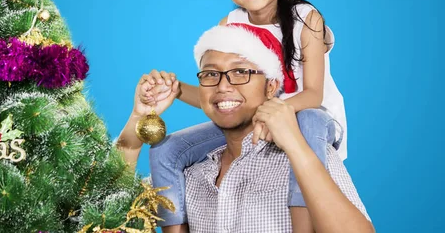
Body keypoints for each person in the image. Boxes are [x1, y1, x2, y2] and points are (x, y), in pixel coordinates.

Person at [140, 0, 348, 230]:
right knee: (167, 149)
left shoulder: (306, 19)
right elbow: (223, 98)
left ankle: (303, 227)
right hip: (253, 121)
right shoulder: (231, 23)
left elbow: (312, 95)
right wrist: (177, 89)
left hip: (310, 117)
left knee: (308, 119)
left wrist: (270, 115)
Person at [116, 23, 372, 233]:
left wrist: (294, 145)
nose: (223, 86)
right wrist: (139, 116)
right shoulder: (188, 176)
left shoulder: (307, 158)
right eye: (210, 74)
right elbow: (106, 208)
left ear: (271, 87)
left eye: (240, 72)